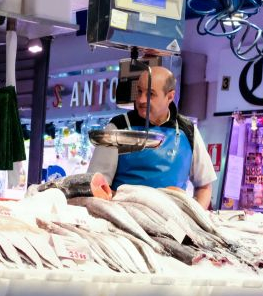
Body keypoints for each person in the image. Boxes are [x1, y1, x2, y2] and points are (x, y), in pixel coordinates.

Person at [87, 66, 217, 207]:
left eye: (150, 94)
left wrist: (196, 217)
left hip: (172, 222)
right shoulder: (117, 127)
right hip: (126, 219)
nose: (142, 100)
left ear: (170, 96)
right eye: (139, 92)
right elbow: (97, 185)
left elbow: (204, 186)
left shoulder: (189, 131)